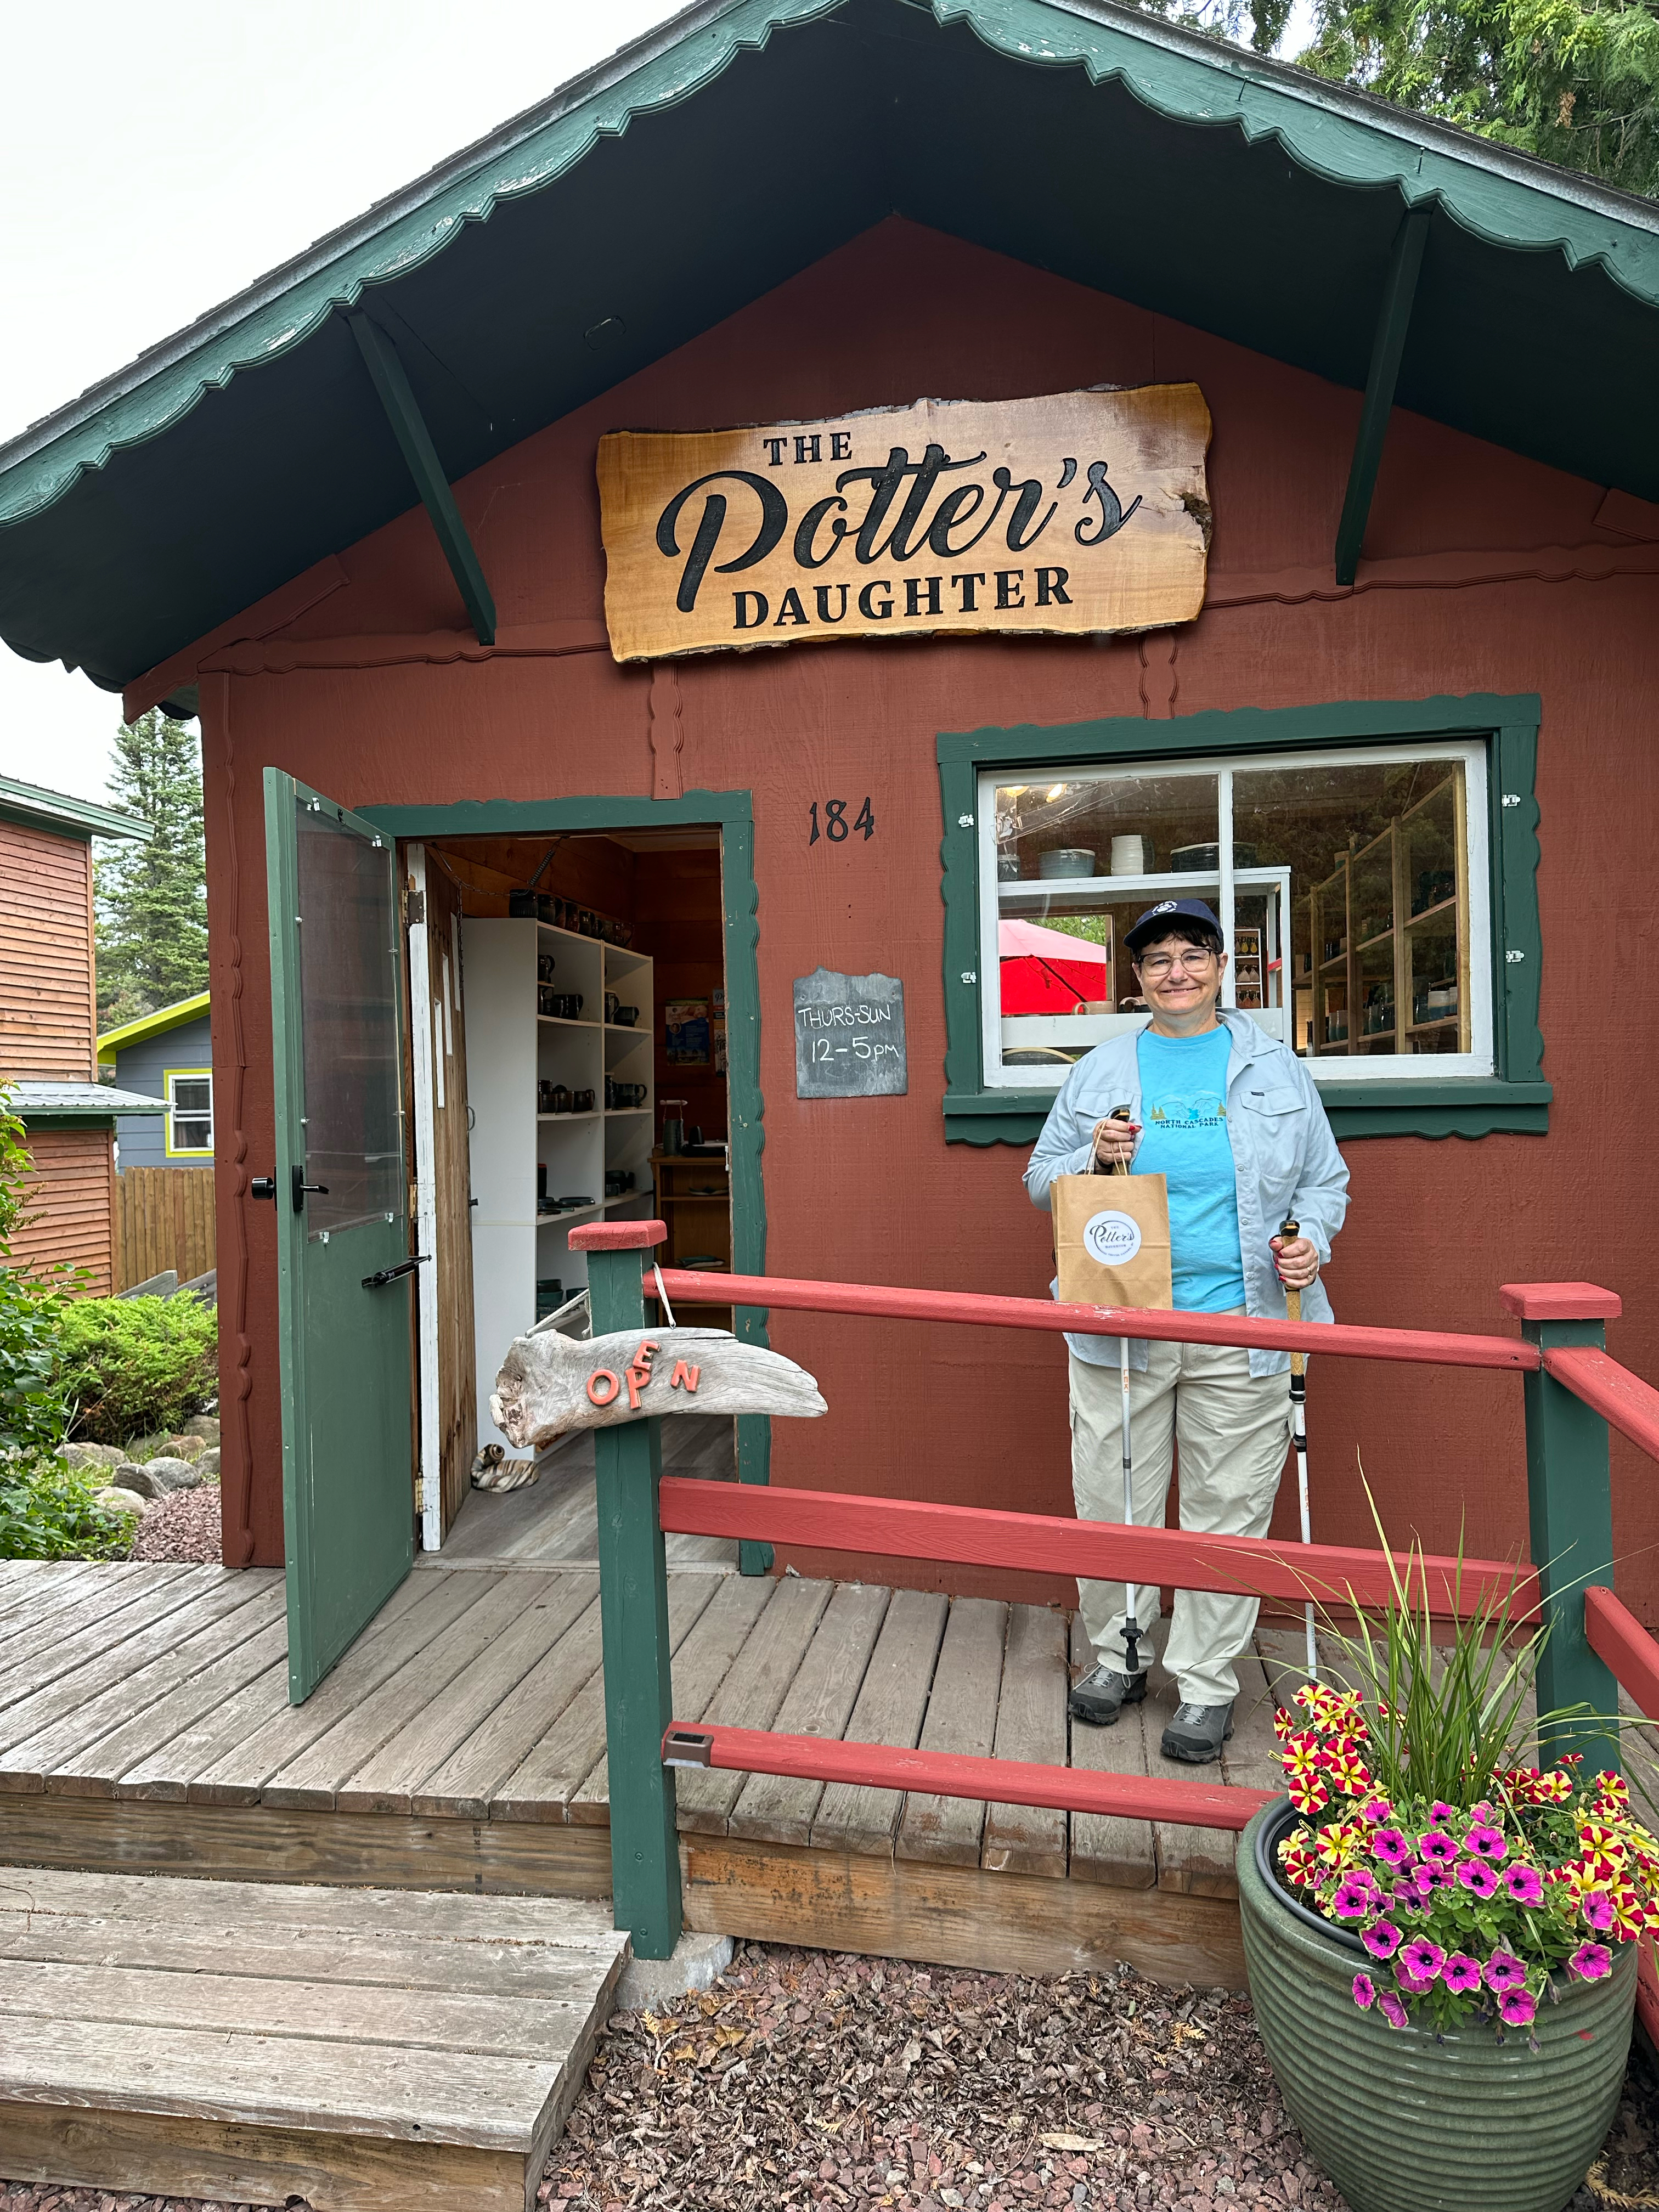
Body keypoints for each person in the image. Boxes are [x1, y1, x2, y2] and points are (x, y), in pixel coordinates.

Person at [1024, 897, 1348, 1763]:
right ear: (1138, 977)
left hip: (1244, 1325)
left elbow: (1326, 1182)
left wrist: (1309, 1244)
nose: (1176, 970)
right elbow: (1039, 1177)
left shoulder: (1277, 1070)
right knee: (1112, 1497)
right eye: (1158, 957)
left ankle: (1206, 1682)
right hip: (1121, 1320)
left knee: (1226, 1511)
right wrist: (1093, 1155)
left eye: (1192, 953)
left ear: (1220, 968)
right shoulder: (1099, 1069)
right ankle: (1119, 1655)